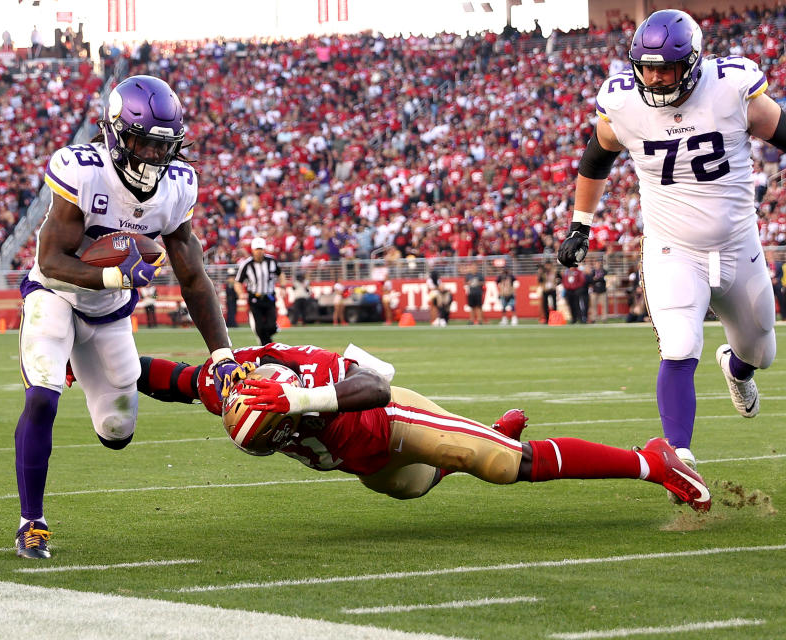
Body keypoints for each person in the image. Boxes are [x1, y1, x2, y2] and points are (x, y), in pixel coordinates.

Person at [13, 75, 248, 559]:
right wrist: (115, 276)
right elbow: (53, 259)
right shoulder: (83, 169)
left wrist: (223, 353)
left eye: (163, 147)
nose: (153, 157)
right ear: (117, 135)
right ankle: (31, 522)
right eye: (142, 142)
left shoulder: (177, 187)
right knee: (43, 398)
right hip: (54, 294)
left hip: (109, 313)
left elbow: (194, 277)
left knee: (116, 434)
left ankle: (96, 363)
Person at [557, 9, 779, 476]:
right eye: (647, 66)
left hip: (739, 243)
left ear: (693, 63)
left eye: (666, 67)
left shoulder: (731, 89)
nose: (655, 78)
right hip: (672, 247)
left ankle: (737, 370)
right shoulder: (622, 103)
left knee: (761, 350)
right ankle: (677, 457)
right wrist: (580, 226)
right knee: (679, 344)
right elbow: (596, 159)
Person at [136, 343, 711, 513]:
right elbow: (169, 377)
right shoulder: (230, 387)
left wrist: (302, 400)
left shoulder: (305, 373)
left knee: (503, 466)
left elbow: (374, 387)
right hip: (364, 463)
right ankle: (483, 434)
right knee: (414, 487)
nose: (278, 442)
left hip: (387, 422)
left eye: (276, 432)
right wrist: (88, 364)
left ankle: (650, 460)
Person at [234, 237, 285, 343]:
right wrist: (240, 293)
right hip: (255, 298)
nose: (259, 251)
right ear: (252, 250)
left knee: (271, 326)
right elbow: (238, 281)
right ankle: (267, 347)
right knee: (260, 328)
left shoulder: (271, 261)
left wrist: (283, 287)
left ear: (264, 249)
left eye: (261, 249)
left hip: (269, 296)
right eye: (257, 249)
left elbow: (280, 274)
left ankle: (267, 344)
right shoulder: (247, 264)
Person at [588, 258, 609, 323]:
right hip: (594, 291)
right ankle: (593, 318)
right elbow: (591, 280)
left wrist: (597, 279)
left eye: (599, 263)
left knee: (604, 305)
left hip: (602, 290)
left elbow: (605, 279)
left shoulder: (604, 271)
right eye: (596, 263)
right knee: (593, 306)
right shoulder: (592, 272)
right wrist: (596, 279)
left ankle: (604, 318)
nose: (598, 265)